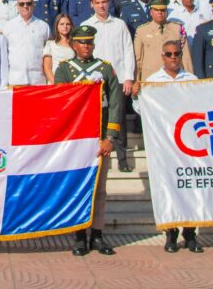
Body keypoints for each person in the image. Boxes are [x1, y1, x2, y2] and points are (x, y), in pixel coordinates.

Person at [53, 25, 122, 257]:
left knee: (99, 189)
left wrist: (110, 137)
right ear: (73, 45)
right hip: (77, 139)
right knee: (79, 188)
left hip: (100, 136)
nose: (86, 46)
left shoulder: (104, 68)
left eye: (90, 42)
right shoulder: (64, 70)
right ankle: (80, 236)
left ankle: (98, 234)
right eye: (82, 42)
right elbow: (60, 103)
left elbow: (115, 103)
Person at [132, 39, 202, 254]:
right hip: (165, 143)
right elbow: (142, 109)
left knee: (190, 188)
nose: (173, 58)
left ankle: (190, 234)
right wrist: (136, 96)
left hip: (189, 143)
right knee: (169, 188)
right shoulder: (154, 81)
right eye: (169, 54)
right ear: (162, 57)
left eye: (177, 54)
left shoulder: (192, 79)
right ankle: (171, 234)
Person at [82, 0, 136, 172]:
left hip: (117, 78)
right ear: (92, 4)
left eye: (104, 2)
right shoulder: (87, 25)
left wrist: (128, 77)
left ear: (109, 3)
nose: (101, 5)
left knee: (118, 118)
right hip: (95, 80)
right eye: (97, 2)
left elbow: (128, 51)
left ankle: (122, 158)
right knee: (97, 118)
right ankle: (95, 158)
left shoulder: (119, 24)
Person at [134, 0, 189, 94]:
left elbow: (186, 57)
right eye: (156, 10)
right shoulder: (142, 30)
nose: (160, 12)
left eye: (163, 10)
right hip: (151, 78)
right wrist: (137, 80)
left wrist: (190, 80)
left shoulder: (177, 28)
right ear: (151, 12)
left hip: (174, 78)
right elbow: (138, 59)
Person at [3, 0, 49, 86]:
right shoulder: (8, 26)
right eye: (21, 4)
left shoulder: (43, 26)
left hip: (37, 80)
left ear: (33, 5)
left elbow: (48, 54)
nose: (25, 6)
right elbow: (4, 55)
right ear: (17, 6)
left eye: (28, 3)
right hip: (15, 79)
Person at [43, 13, 76, 83]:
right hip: (55, 83)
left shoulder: (75, 44)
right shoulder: (50, 44)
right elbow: (47, 68)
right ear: (57, 26)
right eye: (62, 24)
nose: (65, 26)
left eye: (68, 24)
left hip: (72, 83)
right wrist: (56, 84)